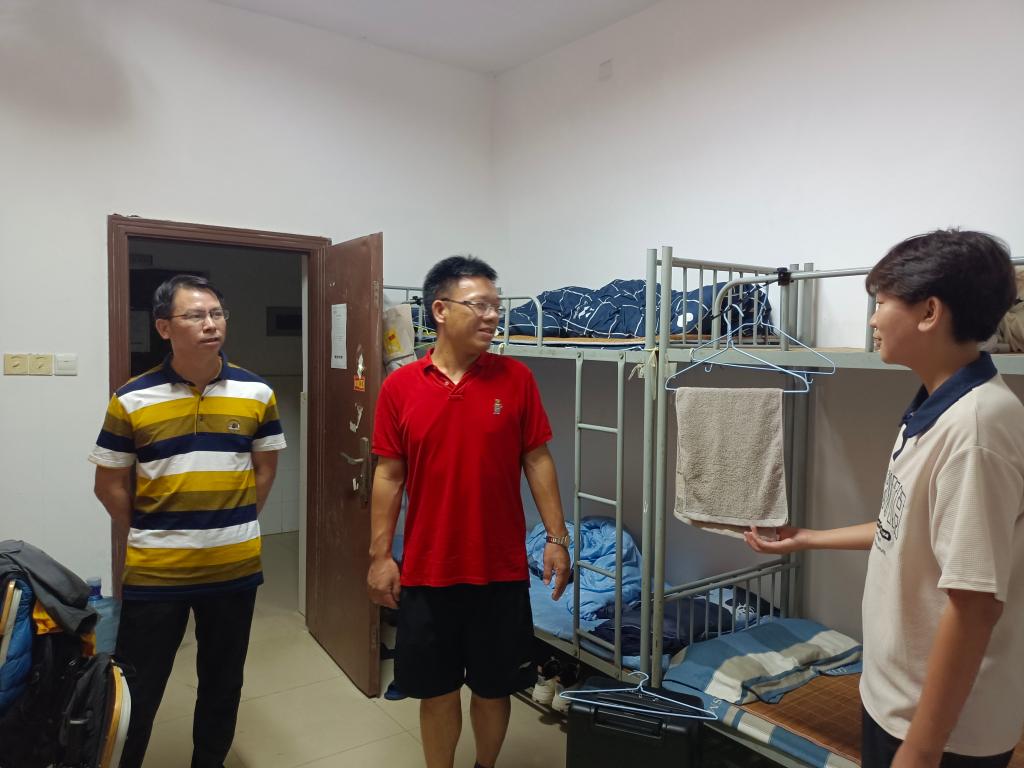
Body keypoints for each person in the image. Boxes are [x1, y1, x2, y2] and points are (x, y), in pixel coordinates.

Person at [745, 230, 1023, 768]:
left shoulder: (976, 430)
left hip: (944, 730)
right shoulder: (937, 404)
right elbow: (909, 528)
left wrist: (921, 747)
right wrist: (807, 538)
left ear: (929, 312)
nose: (872, 319)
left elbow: (975, 608)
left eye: (882, 302)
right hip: (896, 700)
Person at [367, 255, 571, 768]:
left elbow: (537, 459)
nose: (492, 316)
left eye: (496, 307)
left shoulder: (516, 378)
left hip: (499, 570)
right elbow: (388, 475)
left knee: (493, 688)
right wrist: (380, 556)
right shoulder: (400, 387)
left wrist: (557, 538)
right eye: (479, 305)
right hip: (428, 571)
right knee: (435, 692)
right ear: (440, 310)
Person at [91, 274, 286, 768]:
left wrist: (233, 523)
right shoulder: (131, 398)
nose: (210, 324)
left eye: (217, 314)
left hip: (234, 567)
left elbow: (265, 470)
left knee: (224, 681)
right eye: (195, 315)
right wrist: (151, 528)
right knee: (137, 685)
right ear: (164, 327)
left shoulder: (257, 392)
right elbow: (108, 484)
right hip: (157, 571)